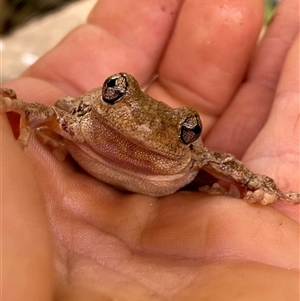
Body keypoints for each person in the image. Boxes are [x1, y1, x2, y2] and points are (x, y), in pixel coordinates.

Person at [2, 0, 299, 300]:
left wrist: (261, 187)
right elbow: (51, 110)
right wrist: (20, 112)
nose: (141, 131)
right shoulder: (81, 121)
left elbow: (223, 162)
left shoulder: (190, 160)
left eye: (187, 131)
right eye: (115, 90)